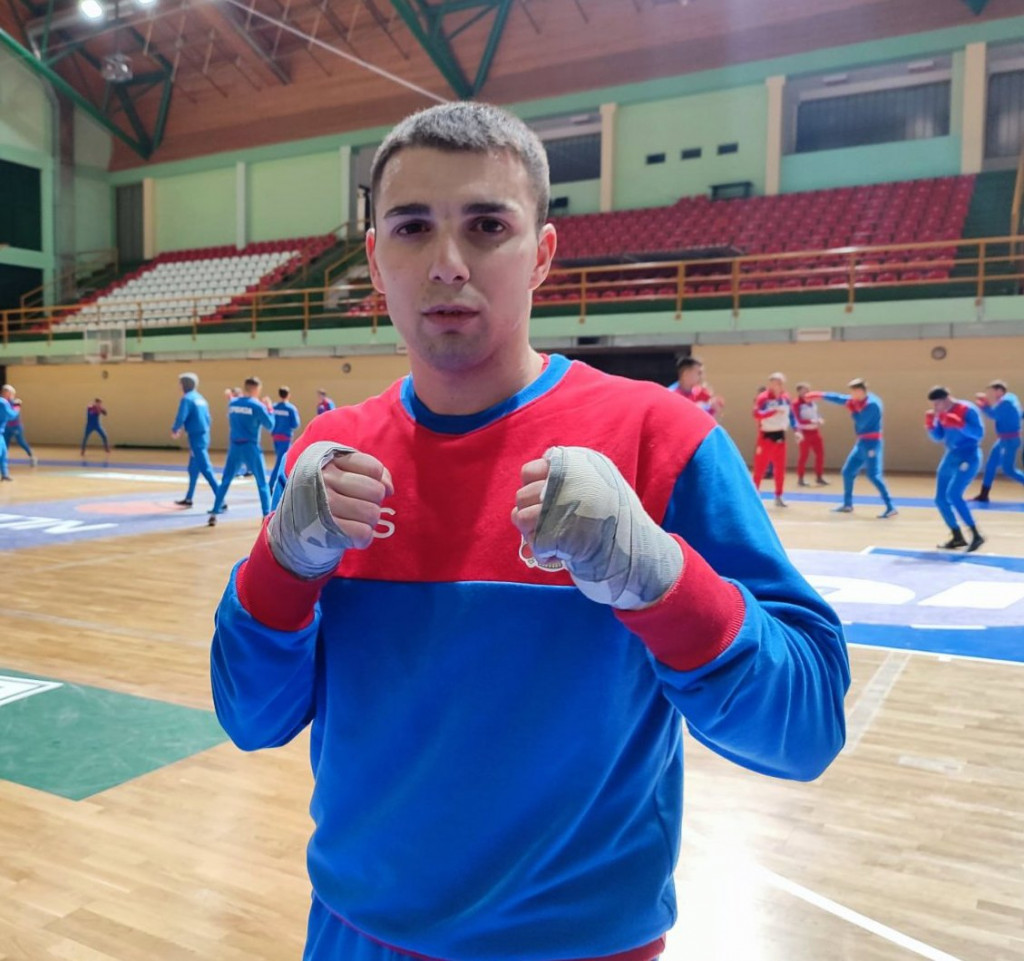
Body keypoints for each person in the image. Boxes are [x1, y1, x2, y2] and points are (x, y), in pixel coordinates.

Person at [209, 102, 849, 961]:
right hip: (352, 934)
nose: (447, 263)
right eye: (411, 227)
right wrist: (280, 564)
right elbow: (250, 718)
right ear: (376, 259)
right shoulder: (333, 458)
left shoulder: (661, 439)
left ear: (541, 253)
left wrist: (660, 578)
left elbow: (804, 729)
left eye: (487, 226)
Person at [806, 379, 896, 519]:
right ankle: (847, 504)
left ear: (861, 391)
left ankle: (891, 507)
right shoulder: (857, 401)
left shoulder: (872, 404)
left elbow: (861, 421)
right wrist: (820, 395)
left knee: (873, 475)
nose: (851, 395)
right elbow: (839, 398)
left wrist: (853, 409)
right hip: (862, 443)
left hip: (872, 443)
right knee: (848, 472)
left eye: (854, 392)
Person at [207, 376, 274, 525]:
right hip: (251, 447)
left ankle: (214, 512)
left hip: (235, 447)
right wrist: (269, 408)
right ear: (256, 389)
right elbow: (270, 425)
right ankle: (266, 515)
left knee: (225, 481)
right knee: (262, 483)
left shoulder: (233, 404)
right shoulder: (257, 406)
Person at [926, 385, 985, 552]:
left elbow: (978, 434)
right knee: (940, 499)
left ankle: (976, 535)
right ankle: (957, 536)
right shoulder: (941, 413)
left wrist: (960, 424)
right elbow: (938, 437)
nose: (935, 407)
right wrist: (930, 426)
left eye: (937, 404)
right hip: (951, 455)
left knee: (953, 495)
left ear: (946, 399)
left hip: (969, 456)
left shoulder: (967, 409)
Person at [751, 372, 802, 507]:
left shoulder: (786, 397)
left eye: (780, 382)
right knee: (760, 468)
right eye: (775, 382)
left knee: (780, 469)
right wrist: (773, 412)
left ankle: (779, 496)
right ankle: (753, 495)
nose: (778, 385)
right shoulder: (763, 398)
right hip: (766, 437)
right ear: (770, 383)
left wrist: (797, 430)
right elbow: (756, 414)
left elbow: (792, 415)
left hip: (780, 437)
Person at [971, 379, 1024, 502]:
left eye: (992, 392)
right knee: (991, 465)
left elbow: (994, 415)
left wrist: (983, 406)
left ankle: (984, 494)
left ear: (999, 391)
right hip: (1004, 439)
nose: (991, 395)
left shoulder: (1006, 402)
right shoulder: (1010, 399)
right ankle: (984, 494)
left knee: (1009, 469)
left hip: (1009, 440)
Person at [171, 372, 218, 508]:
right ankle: (189, 498)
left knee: (206, 469)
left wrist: (175, 429)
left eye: (180, 383)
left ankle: (220, 499)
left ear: (185, 384)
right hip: (203, 436)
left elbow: (181, 416)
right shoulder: (201, 399)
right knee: (193, 469)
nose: (179, 386)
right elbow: (208, 419)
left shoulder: (187, 399)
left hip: (196, 438)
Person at [268, 385, 302, 495]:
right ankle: (271, 484)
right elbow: (295, 424)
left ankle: (282, 484)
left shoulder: (274, 407)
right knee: (281, 462)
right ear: (288, 395)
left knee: (281, 460)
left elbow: (270, 421)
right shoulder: (291, 408)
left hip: (275, 438)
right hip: (285, 438)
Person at [793, 382, 827, 487]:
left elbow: (816, 414)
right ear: (799, 392)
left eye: (807, 390)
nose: (806, 392)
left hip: (815, 432)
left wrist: (820, 419)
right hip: (804, 433)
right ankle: (800, 478)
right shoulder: (796, 404)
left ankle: (819, 477)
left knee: (820, 454)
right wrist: (811, 421)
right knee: (804, 456)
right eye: (803, 390)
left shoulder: (812, 402)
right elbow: (797, 420)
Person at [1, 385, 36, 466]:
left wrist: (16, 407)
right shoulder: (2, 402)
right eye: (4, 391)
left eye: (7, 392)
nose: (5, 393)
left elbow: (14, 415)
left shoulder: (15, 402)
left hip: (15, 426)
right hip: (6, 427)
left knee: (21, 442)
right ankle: (3, 461)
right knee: (5, 444)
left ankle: (31, 456)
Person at [0, 388, 15, 481]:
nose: (12, 396)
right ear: (7, 393)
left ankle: (5, 474)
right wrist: (17, 406)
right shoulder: (3, 402)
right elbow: (12, 415)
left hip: (0, 434)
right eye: (12, 394)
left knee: (3, 453)